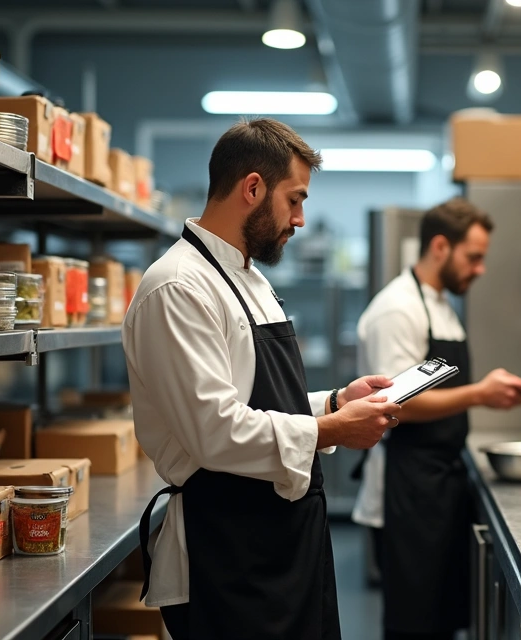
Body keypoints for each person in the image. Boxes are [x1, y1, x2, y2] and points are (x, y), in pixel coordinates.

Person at [123, 117, 400, 640]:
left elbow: (255, 399)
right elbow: (215, 431)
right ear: (252, 188)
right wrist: (333, 430)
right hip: (228, 551)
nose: (300, 220)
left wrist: (334, 403)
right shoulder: (178, 288)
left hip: (285, 537)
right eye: (294, 200)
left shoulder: (249, 278)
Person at [352, 198, 521, 640]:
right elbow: (396, 403)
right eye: (473, 257)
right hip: (405, 489)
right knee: (412, 627)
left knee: (441, 624)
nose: (480, 269)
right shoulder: (398, 308)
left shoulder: (441, 305)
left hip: (438, 484)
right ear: (440, 247)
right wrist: (479, 394)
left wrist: (491, 396)